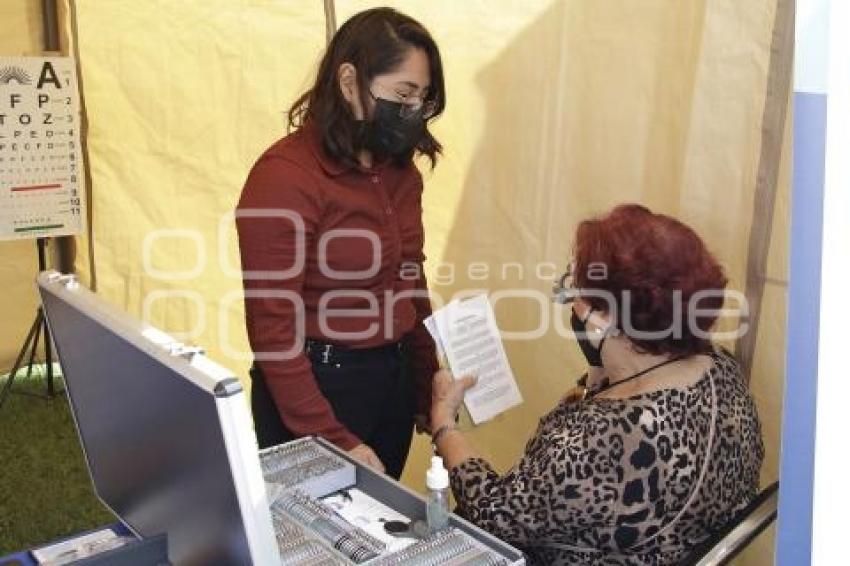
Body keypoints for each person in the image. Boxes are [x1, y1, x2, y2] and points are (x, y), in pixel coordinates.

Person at [430, 204, 764, 564]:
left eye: (577, 292)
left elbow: (495, 516)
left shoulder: (600, 438)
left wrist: (444, 424)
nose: (572, 304)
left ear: (607, 317)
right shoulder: (722, 369)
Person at [236, 8, 445, 479]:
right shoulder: (284, 177)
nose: (413, 112)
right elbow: (272, 327)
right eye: (403, 95)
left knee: (378, 531)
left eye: (423, 99)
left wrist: (423, 378)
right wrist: (333, 438)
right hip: (316, 388)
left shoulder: (400, 172)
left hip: (390, 379)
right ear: (349, 82)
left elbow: (409, 277)